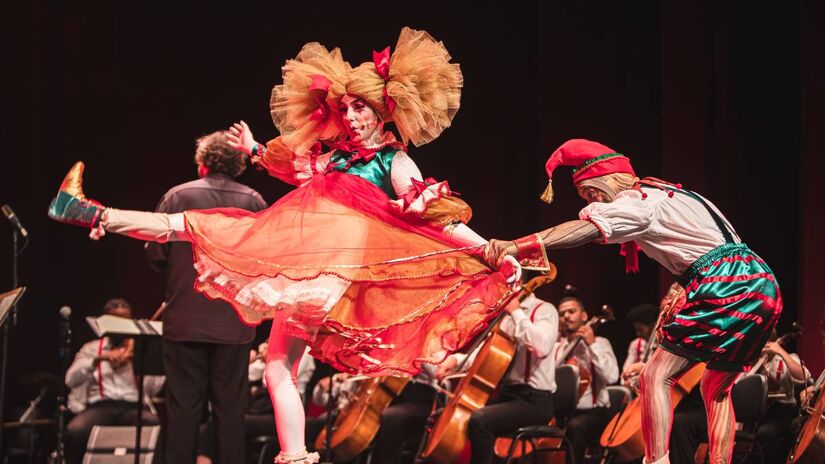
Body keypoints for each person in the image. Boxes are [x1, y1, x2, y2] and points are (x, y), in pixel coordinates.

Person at [48, 27, 518, 464]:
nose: (351, 117)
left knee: (202, 230)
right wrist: (254, 151)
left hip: (321, 274)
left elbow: (438, 215)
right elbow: (292, 170)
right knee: (273, 363)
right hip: (303, 265)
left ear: (384, 112)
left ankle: (92, 212)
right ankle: (90, 213)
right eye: (347, 108)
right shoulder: (336, 159)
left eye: (361, 108)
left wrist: (492, 249)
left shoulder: (394, 163)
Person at [485, 139, 783, 464]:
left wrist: (518, 246)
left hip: (724, 280)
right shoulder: (674, 195)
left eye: (589, 192)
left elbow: (585, 230)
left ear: (607, 180)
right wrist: (688, 288)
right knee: (716, 388)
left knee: (654, 376)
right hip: (761, 281)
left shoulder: (637, 201)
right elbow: (710, 245)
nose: (590, 200)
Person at [144, 131, 267, 463]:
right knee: (230, 414)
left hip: (185, 322)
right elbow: (264, 262)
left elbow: (156, 254)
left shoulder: (177, 196)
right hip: (234, 326)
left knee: (183, 412)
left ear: (202, 164)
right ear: (236, 164)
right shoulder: (253, 201)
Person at [437, 271, 558, 464]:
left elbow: (541, 347)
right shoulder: (506, 317)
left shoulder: (544, 310)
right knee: (463, 416)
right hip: (508, 396)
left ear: (517, 284)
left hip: (535, 401)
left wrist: (517, 312)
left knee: (481, 420)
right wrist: (456, 361)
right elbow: (488, 354)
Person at [64, 298, 164, 464]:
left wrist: (139, 361)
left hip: (133, 406)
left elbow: (154, 388)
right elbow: (70, 380)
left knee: (153, 425)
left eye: (124, 321)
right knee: (76, 430)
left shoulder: (140, 347)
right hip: (101, 406)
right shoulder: (92, 348)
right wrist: (98, 360)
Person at [552, 295, 618, 463]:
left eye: (571, 311)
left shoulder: (601, 343)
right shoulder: (556, 347)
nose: (566, 316)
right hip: (562, 414)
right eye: (562, 314)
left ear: (584, 316)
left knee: (576, 427)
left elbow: (612, 377)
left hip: (594, 413)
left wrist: (591, 344)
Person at [751, 329, 808, 463]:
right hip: (758, 414)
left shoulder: (786, 359)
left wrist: (781, 351)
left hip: (782, 413)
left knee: (762, 434)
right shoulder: (752, 363)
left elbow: (805, 376)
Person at [620, 302, 659, 386]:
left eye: (640, 330)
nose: (637, 333)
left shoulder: (664, 345)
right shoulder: (636, 344)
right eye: (636, 330)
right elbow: (624, 377)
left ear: (653, 326)